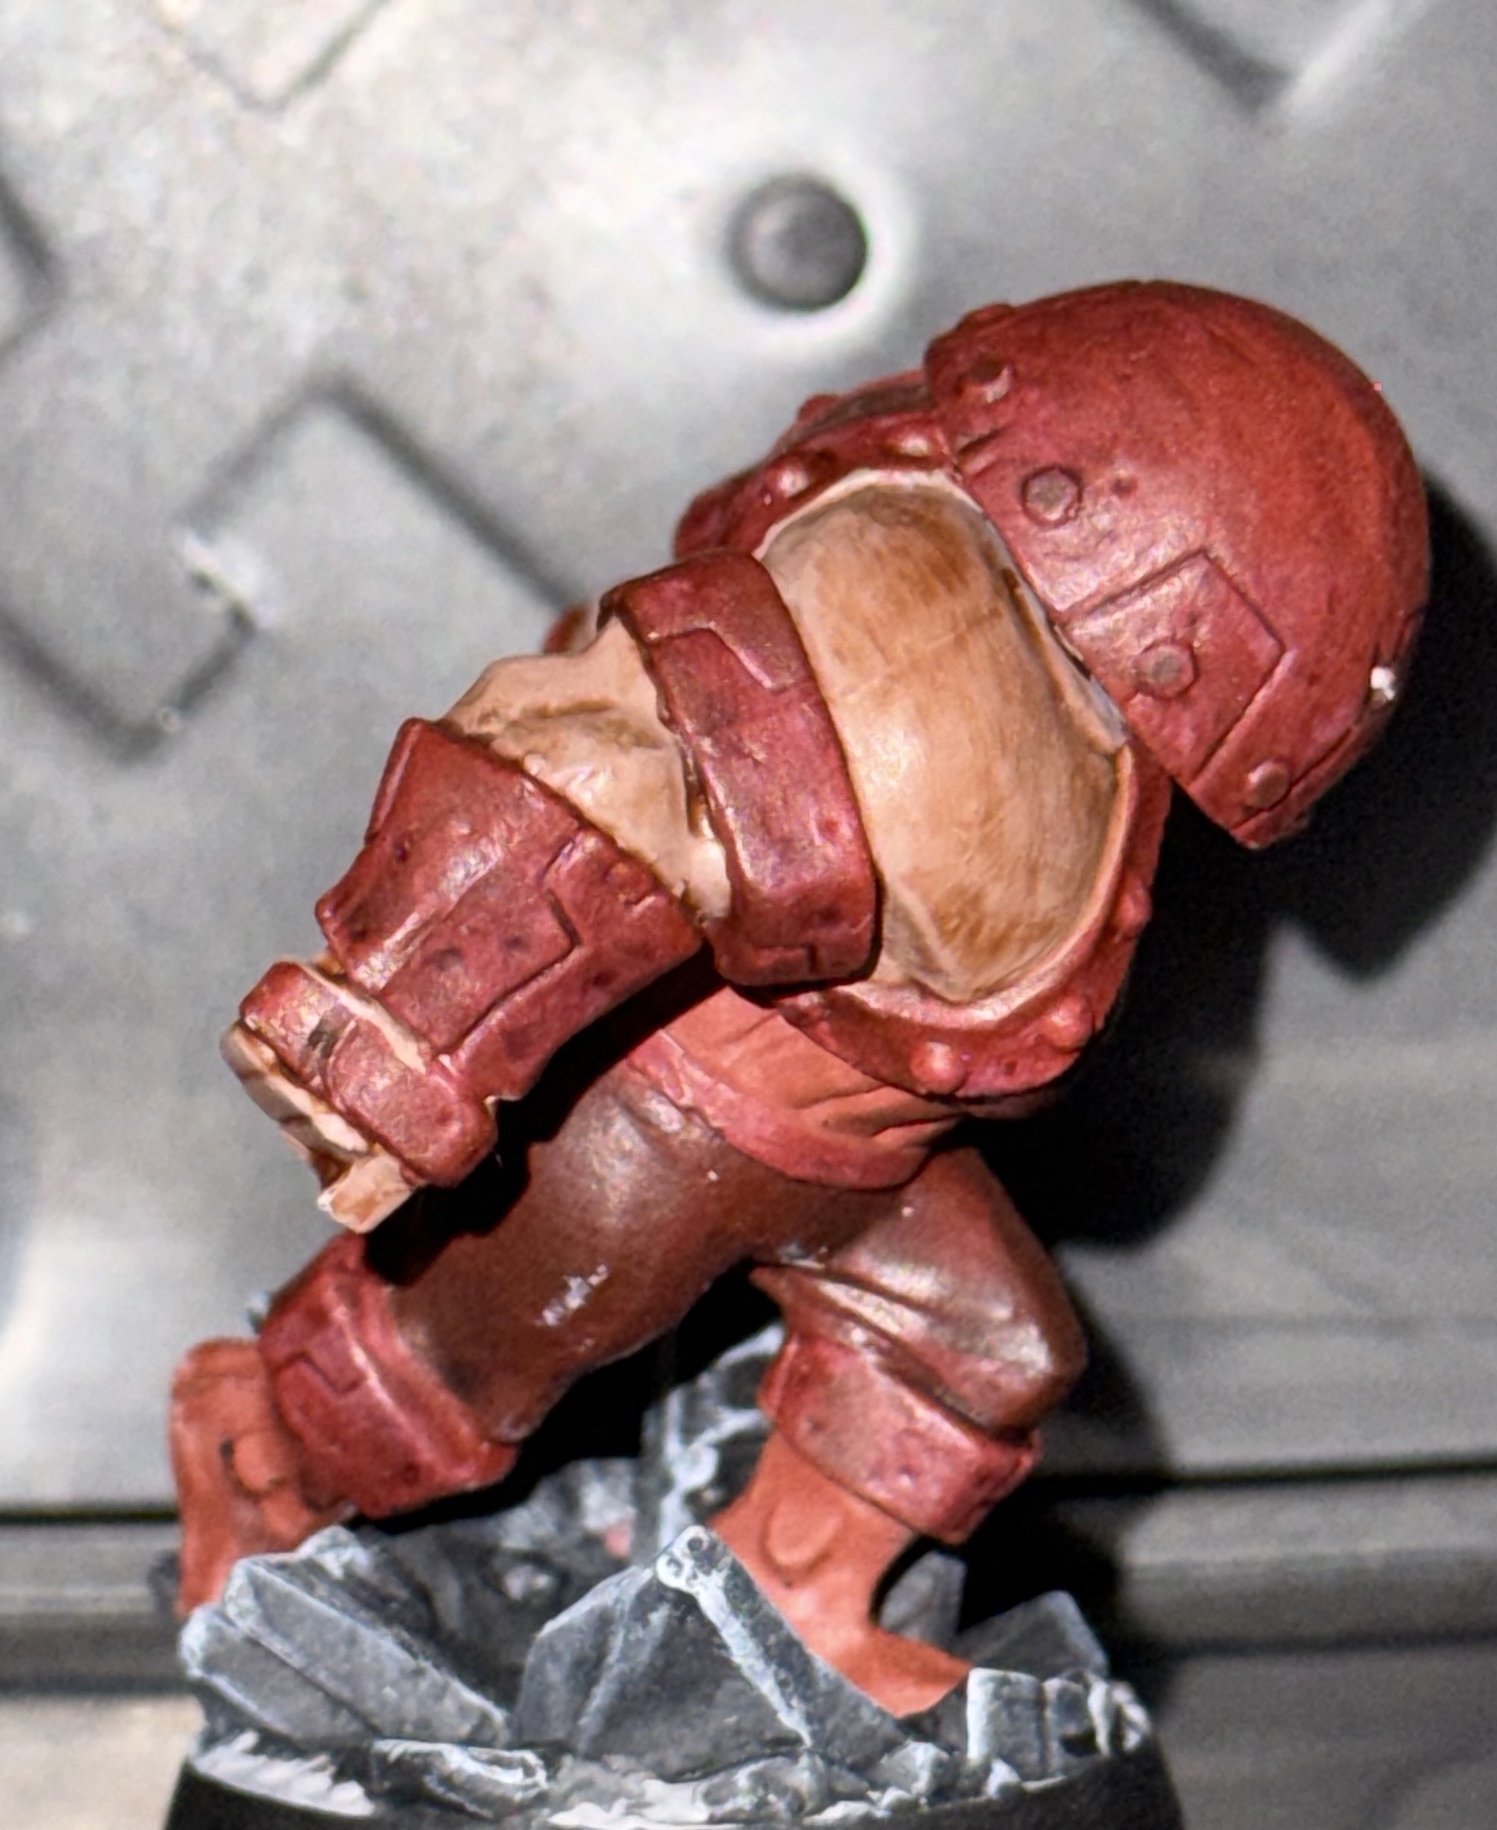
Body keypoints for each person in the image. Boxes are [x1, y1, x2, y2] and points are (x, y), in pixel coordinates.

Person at [170, 281, 1427, 1715]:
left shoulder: (1079, 735)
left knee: (989, 1346)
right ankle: (243, 1446)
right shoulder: (893, 632)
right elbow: (597, 768)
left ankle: (791, 1608)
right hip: (647, 1125)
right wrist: (391, 1038)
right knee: (439, 1387)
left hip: (861, 1158)